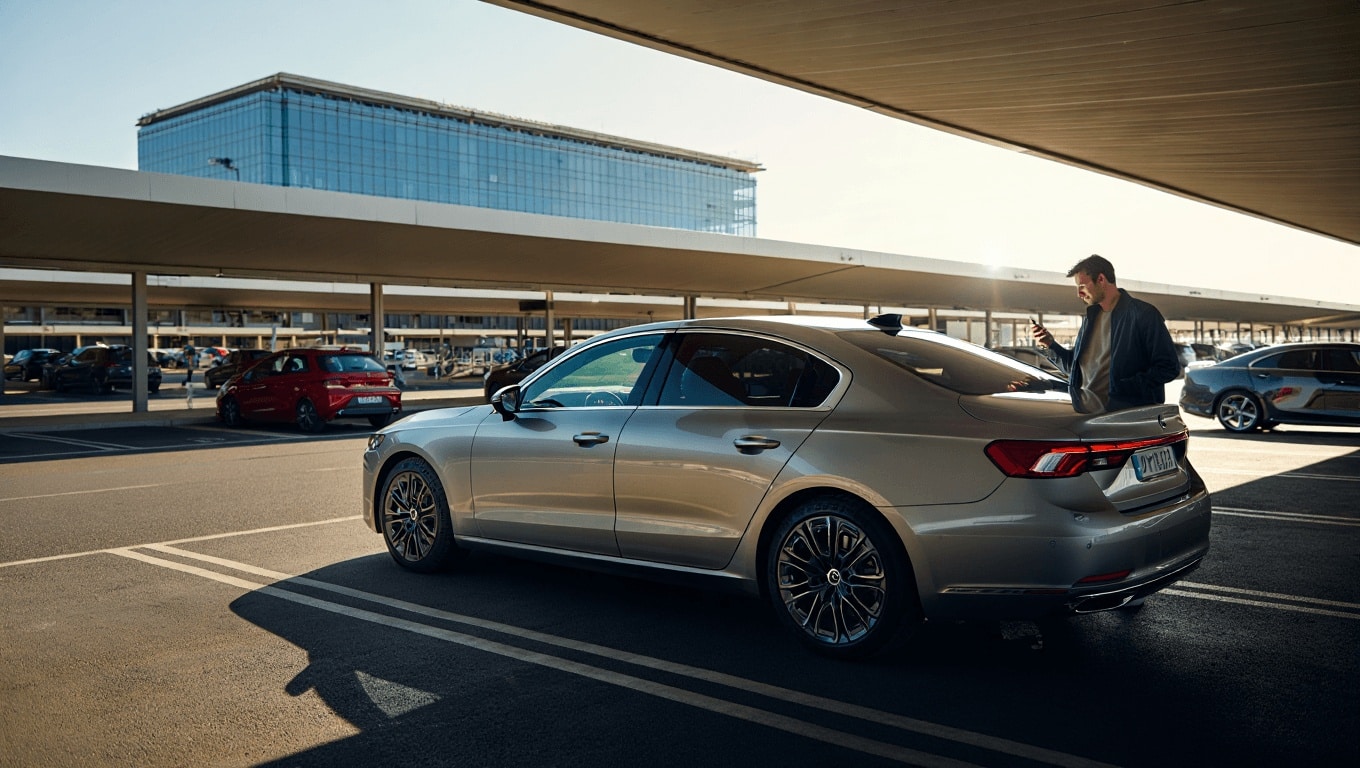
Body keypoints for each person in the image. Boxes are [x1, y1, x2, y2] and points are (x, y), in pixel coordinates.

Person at [1031, 254, 1181, 413]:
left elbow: (1168, 367)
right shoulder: (1090, 319)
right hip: (1087, 417)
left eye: (1082, 286)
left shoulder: (1143, 314)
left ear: (1101, 279)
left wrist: (1123, 388)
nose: (1079, 294)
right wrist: (1049, 345)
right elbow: (1075, 369)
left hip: (1124, 419)